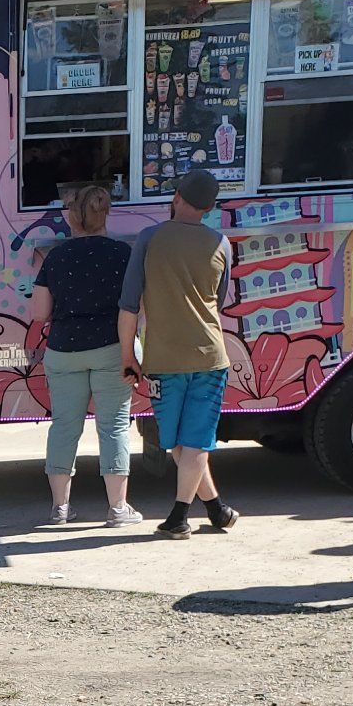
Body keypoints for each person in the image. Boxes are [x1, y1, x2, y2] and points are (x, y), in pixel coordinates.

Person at [118, 168, 240, 539]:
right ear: (210, 208)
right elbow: (220, 301)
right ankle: (215, 509)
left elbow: (129, 305)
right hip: (210, 357)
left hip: (163, 360)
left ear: (176, 197)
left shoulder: (149, 238)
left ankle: (179, 516)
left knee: (178, 442)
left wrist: (128, 356)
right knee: (195, 441)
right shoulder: (221, 243)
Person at [27, 185, 142, 527]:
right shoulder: (123, 254)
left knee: (64, 426)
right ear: (106, 214)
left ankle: (60, 509)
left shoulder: (56, 257)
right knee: (114, 426)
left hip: (64, 351)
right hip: (112, 348)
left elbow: (39, 313)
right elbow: (137, 305)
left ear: (72, 218)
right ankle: (118, 509)